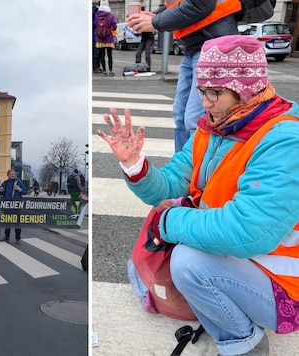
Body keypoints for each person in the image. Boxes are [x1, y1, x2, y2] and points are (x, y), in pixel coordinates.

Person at [96, 35, 299, 356]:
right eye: (202, 91)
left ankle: (245, 343)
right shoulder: (218, 125)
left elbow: (249, 232)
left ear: (245, 88)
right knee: (159, 253)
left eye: (214, 92)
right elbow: (172, 182)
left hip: (284, 283)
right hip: (242, 260)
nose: (204, 102)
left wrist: (170, 222)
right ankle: (225, 306)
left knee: (188, 262)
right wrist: (135, 165)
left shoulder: (285, 140)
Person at [127, 0, 240, 152]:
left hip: (213, 44)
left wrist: (155, 21)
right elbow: (183, 5)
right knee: (181, 117)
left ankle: (199, 168)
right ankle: (182, 169)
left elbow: (201, 4)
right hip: (194, 47)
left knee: (195, 118)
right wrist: (155, 16)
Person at [0, 169, 27, 245]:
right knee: (7, 221)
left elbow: (25, 191)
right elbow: (0, 191)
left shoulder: (18, 182)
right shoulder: (5, 183)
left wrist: (19, 189)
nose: (13, 175)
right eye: (11, 174)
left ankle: (18, 238)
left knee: (17, 222)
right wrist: (0, 190)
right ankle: (6, 236)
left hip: (16, 204)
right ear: (8, 175)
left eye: (14, 174)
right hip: (7, 204)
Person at [94, 0, 117, 77]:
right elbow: (114, 26)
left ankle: (104, 71)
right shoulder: (110, 15)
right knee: (110, 55)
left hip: (100, 39)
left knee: (102, 56)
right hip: (109, 38)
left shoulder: (97, 15)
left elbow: (95, 24)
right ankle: (110, 71)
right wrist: (111, 29)